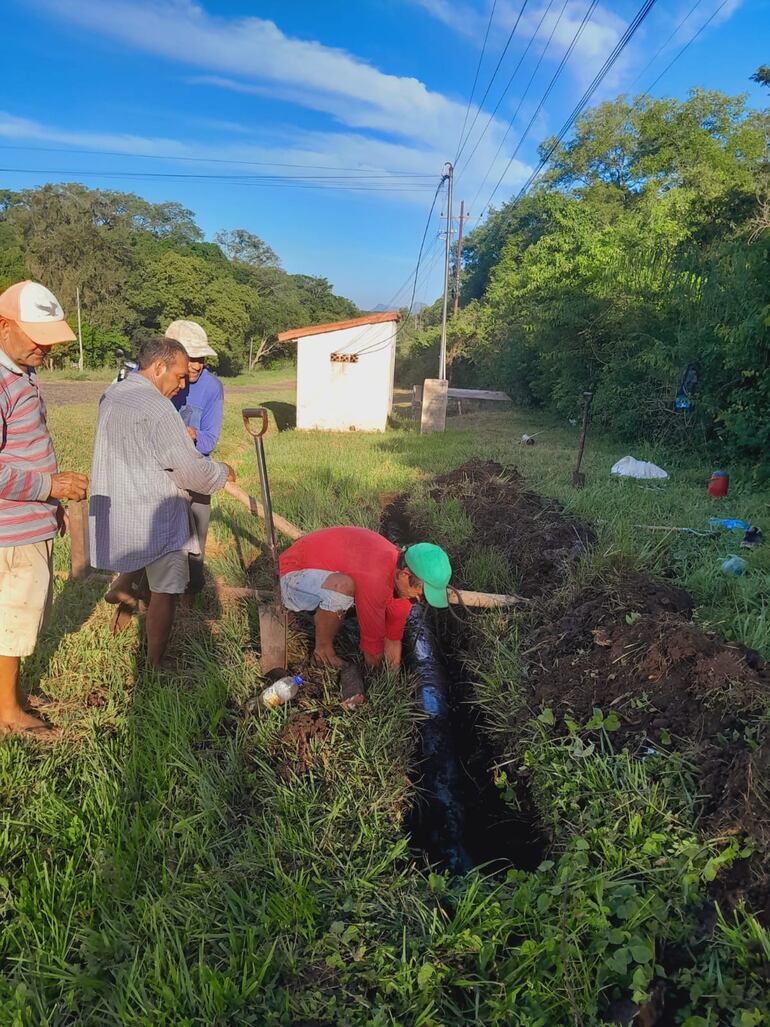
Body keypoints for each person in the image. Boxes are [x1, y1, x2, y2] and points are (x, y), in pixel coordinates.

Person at [89, 335, 234, 668]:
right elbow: (190, 472)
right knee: (166, 589)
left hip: (122, 504)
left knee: (138, 569)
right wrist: (222, 472)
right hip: (157, 510)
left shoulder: (113, 393)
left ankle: (122, 595)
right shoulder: (158, 408)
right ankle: (156, 662)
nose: (182, 384)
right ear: (159, 367)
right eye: (179, 376)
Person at [0, 280, 89, 734]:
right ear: (4, 327)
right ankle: (8, 714)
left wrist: (49, 497)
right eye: (39, 338)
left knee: (19, 616)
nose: (46, 348)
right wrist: (47, 485)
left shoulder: (22, 373)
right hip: (9, 530)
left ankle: (10, 694)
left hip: (27, 520)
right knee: (11, 620)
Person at [278, 526, 452, 695]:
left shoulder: (402, 582)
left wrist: (391, 680)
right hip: (294, 575)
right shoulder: (376, 577)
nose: (419, 600)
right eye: (420, 593)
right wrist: (375, 682)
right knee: (344, 588)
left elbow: (393, 638)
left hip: (323, 572)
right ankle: (322, 653)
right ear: (405, 575)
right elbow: (373, 646)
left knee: (350, 591)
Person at [167, 320, 223, 596]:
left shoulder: (211, 387)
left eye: (201, 359)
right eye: (191, 358)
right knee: (160, 540)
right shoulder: (153, 382)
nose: (197, 366)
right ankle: (153, 593)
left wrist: (190, 435)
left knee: (196, 541)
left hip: (196, 470)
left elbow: (211, 438)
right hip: (162, 473)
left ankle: (194, 593)